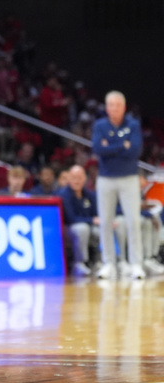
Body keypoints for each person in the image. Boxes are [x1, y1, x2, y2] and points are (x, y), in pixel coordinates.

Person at [92, 91, 144, 280]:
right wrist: (123, 145)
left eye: (117, 105)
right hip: (106, 179)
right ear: (106, 108)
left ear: (123, 107)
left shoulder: (133, 125)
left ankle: (136, 264)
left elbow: (135, 150)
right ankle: (108, 264)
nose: (114, 109)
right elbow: (98, 149)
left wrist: (111, 147)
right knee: (105, 222)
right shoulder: (100, 125)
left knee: (134, 221)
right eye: (110, 105)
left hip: (129, 178)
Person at [59, 165, 98, 276]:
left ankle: (99, 262)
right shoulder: (64, 194)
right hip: (67, 229)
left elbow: (96, 214)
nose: (77, 180)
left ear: (85, 178)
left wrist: (97, 221)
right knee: (82, 229)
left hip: (87, 225)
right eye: (73, 177)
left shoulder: (89, 194)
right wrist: (91, 220)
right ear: (69, 179)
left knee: (99, 229)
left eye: (79, 177)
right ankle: (79, 263)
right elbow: (71, 218)